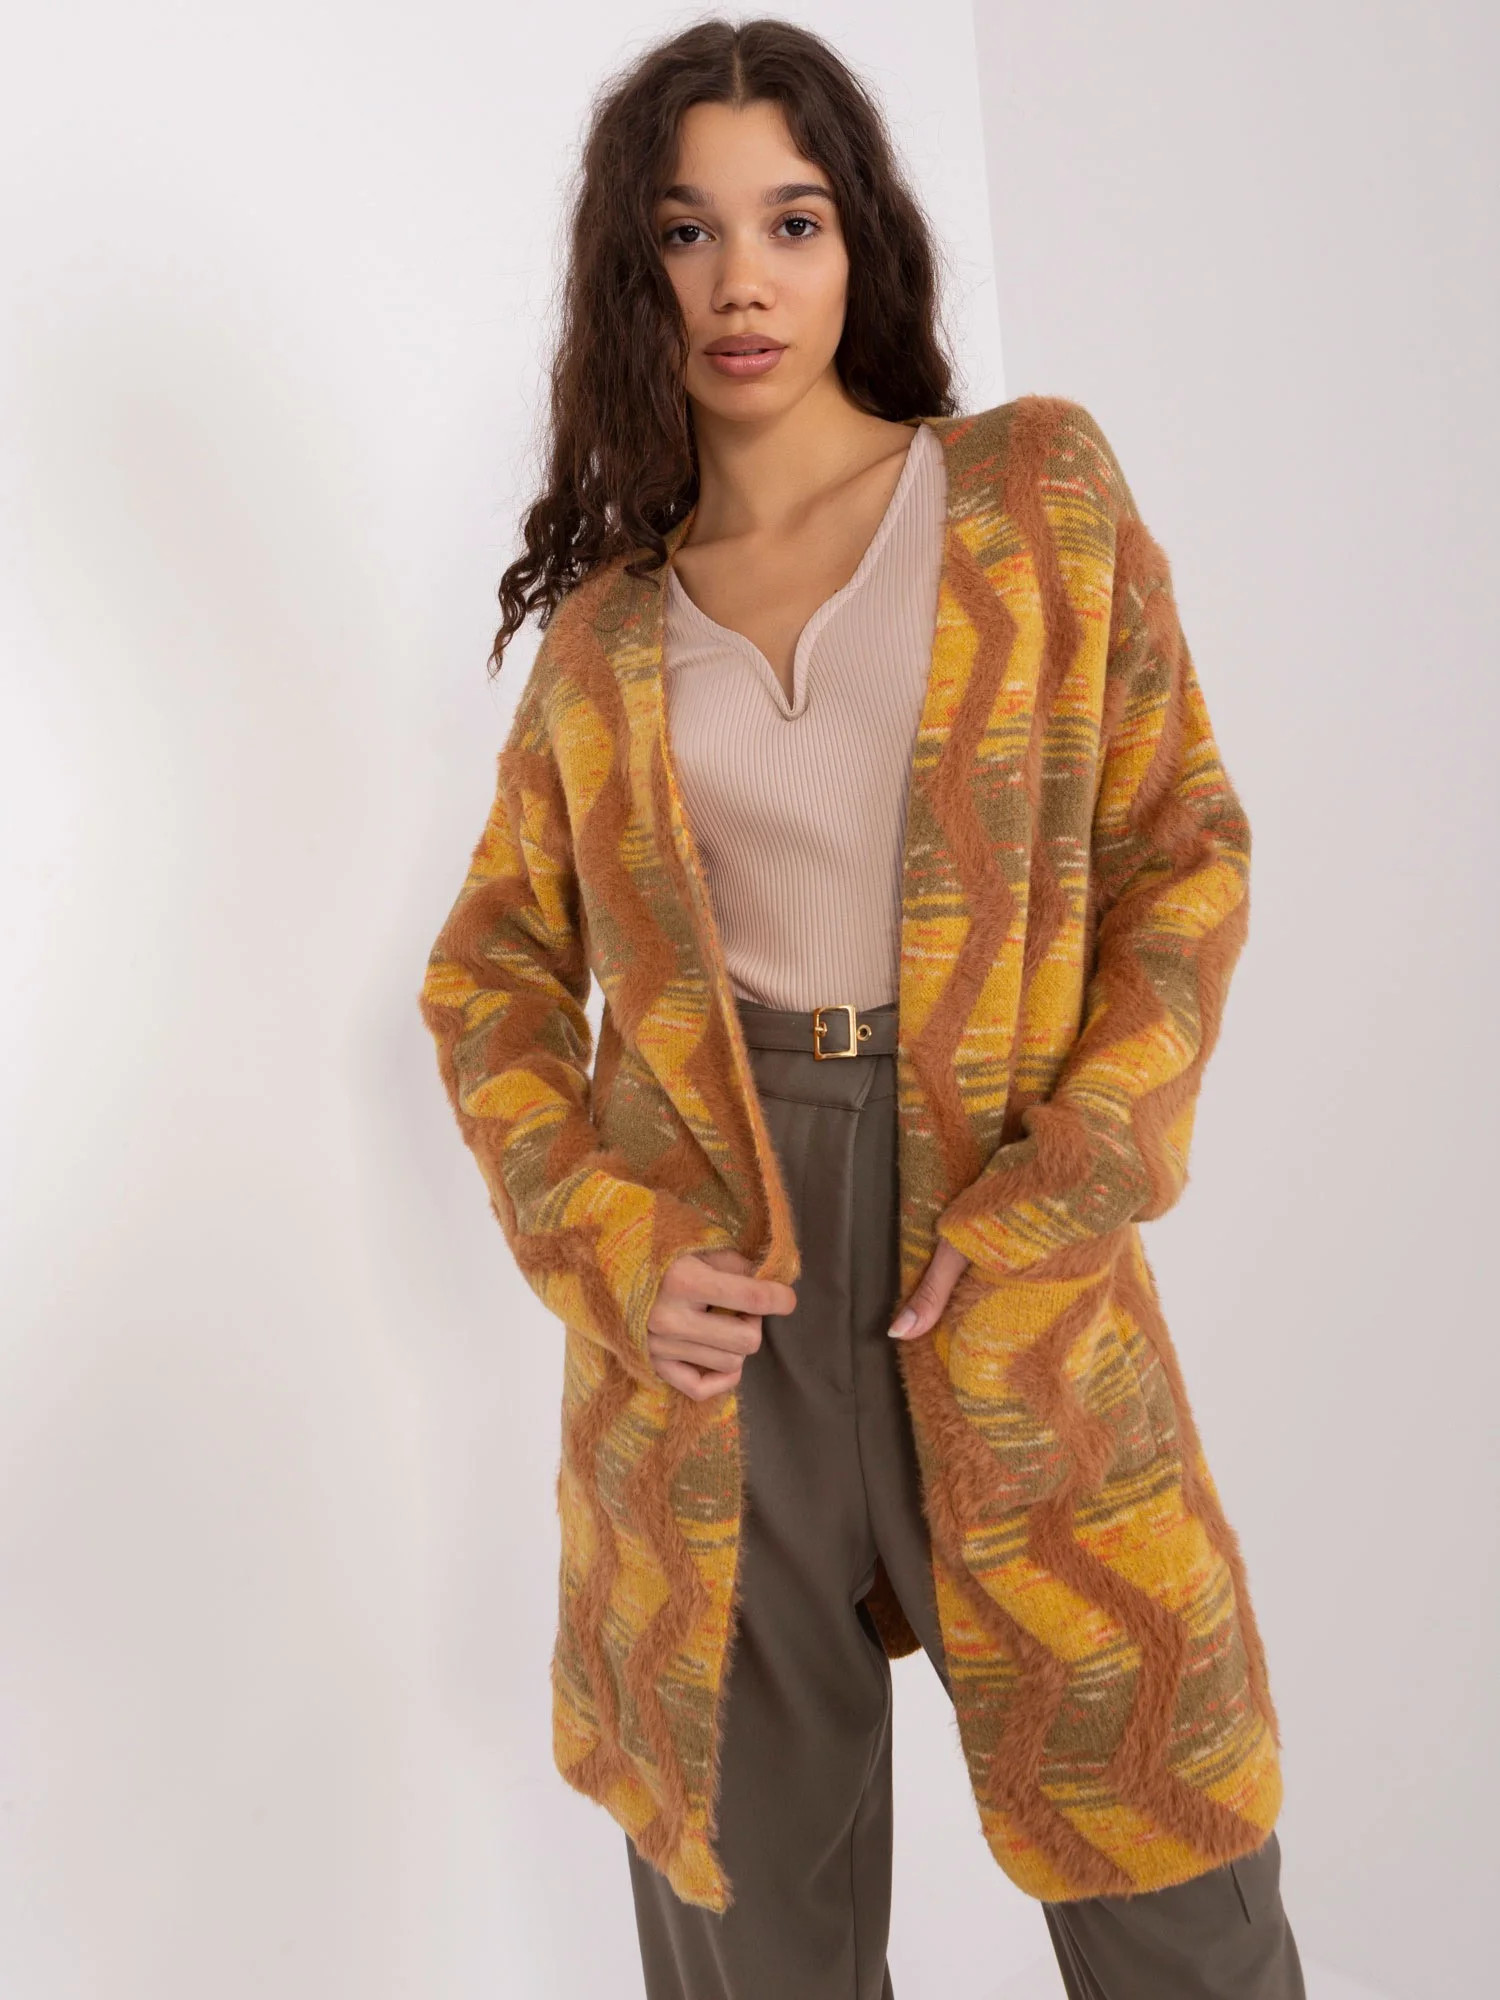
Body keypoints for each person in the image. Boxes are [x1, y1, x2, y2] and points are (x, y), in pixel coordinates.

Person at [417, 17, 1305, 1999]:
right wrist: (609, 1245)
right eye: (688, 231)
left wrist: (1069, 1179)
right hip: (719, 1308)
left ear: (859, 243)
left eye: (791, 221)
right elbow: (488, 974)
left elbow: (1184, 854)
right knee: (756, 1939)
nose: (741, 280)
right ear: (631, 271)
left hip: (1000, 1255)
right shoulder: (606, 636)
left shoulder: (1031, 493)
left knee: (1174, 1869)